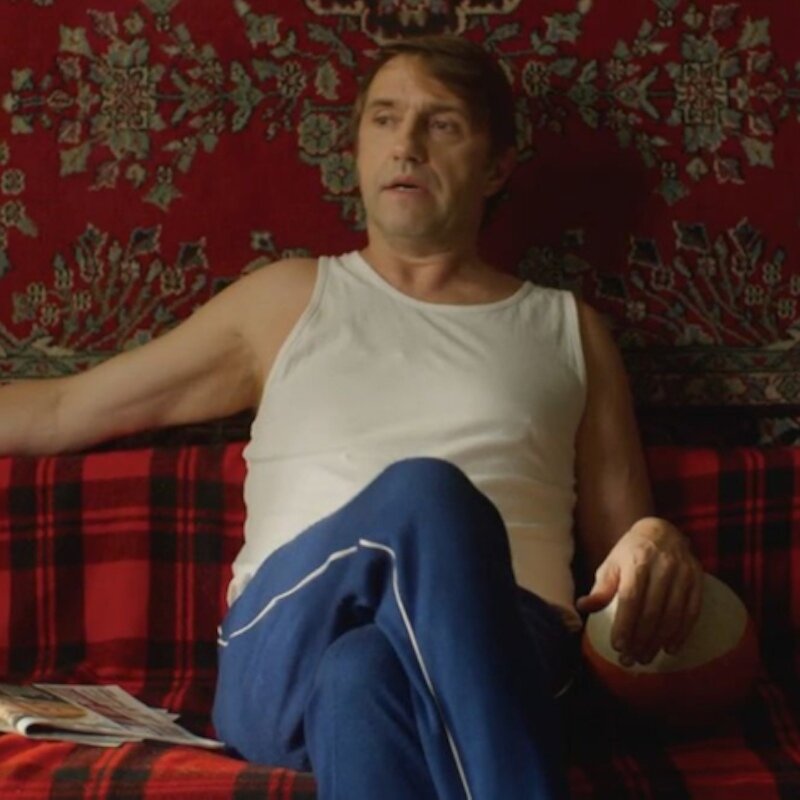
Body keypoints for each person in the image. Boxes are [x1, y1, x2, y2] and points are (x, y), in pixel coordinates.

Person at [0, 35, 703, 800]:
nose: (406, 145)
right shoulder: (286, 301)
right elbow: (65, 408)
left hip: (512, 649)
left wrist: (657, 537)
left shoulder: (569, 331)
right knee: (425, 496)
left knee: (362, 673)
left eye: (442, 124)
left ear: (498, 165)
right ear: (357, 148)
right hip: (282, 653)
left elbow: (627, 546)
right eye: (384, 119)